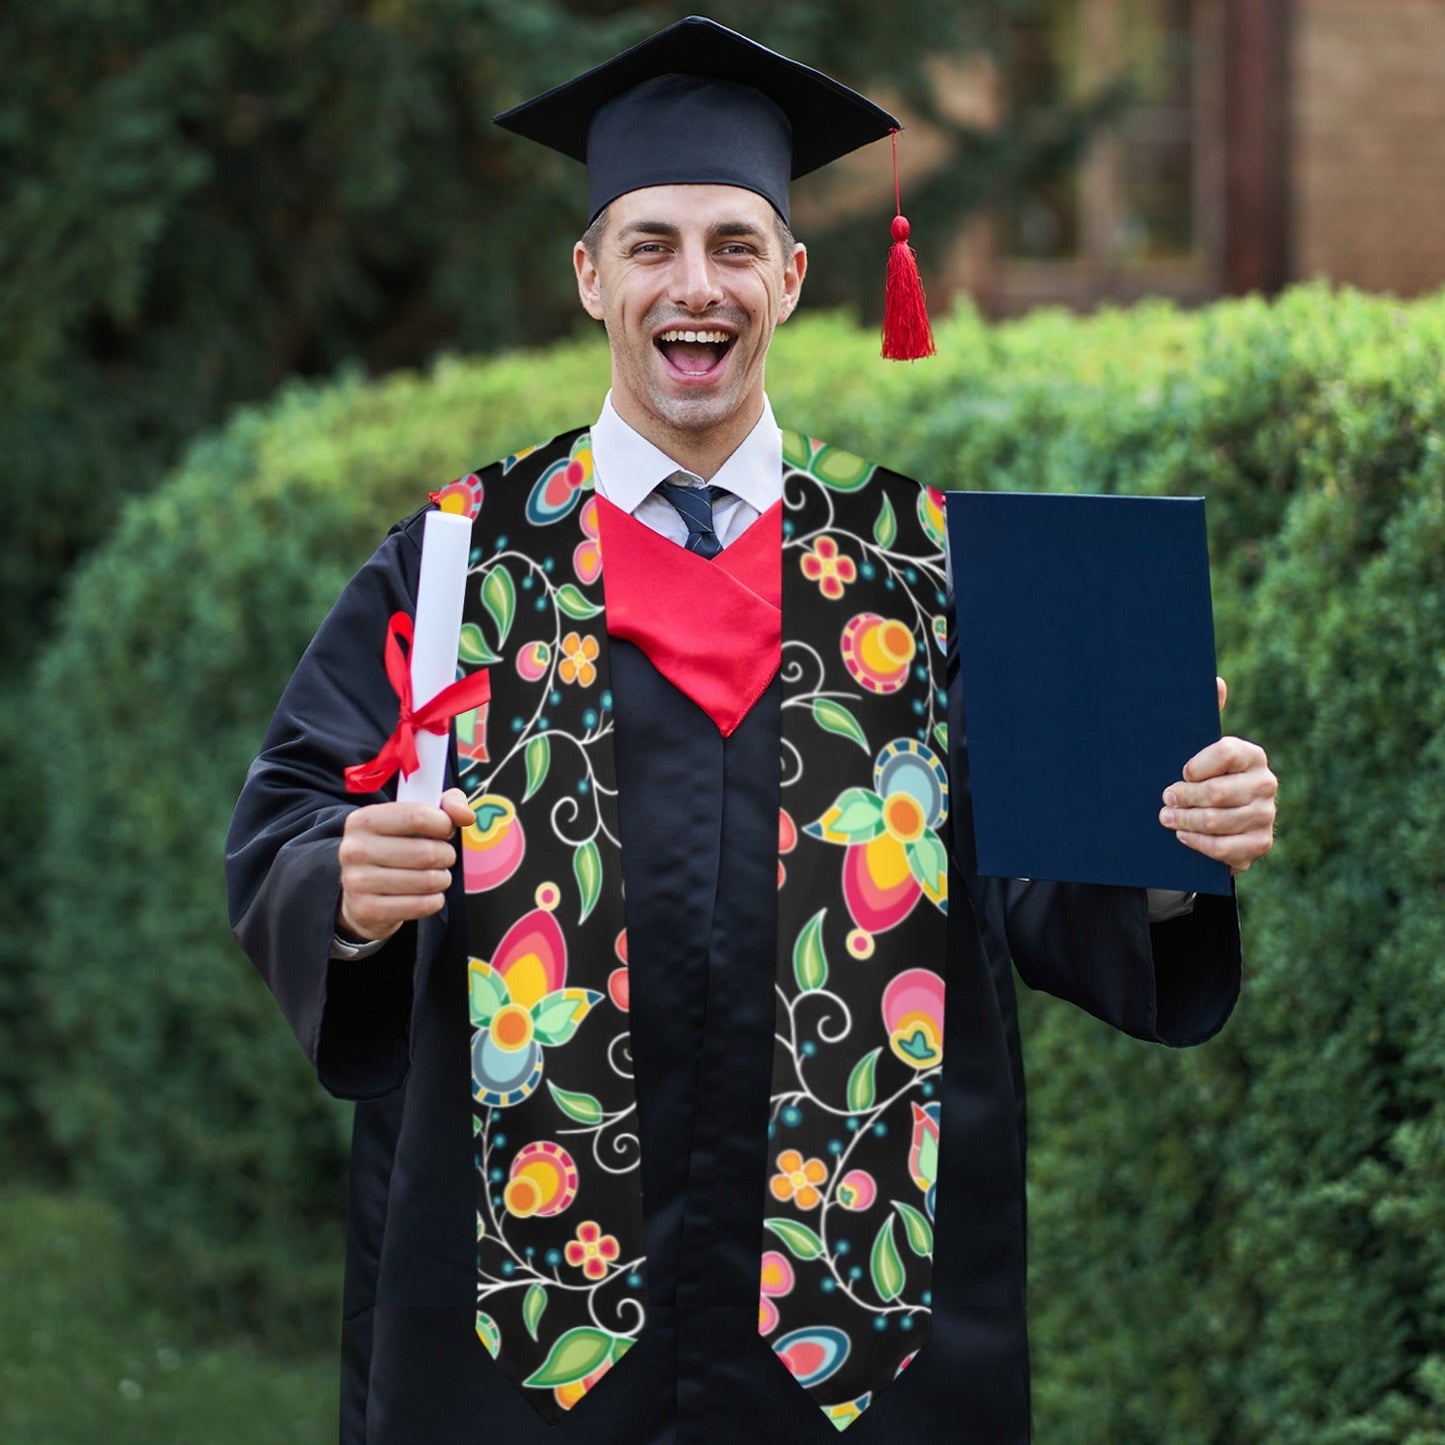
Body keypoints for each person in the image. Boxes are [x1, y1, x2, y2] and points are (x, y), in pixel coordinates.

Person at [225, 17, 1277, 1445]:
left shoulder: (925, 568)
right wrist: (344, 887)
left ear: (790, 276)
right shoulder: (464, 563)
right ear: (589, 275)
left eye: (734, 245)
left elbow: (1041, 883)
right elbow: (292, 818)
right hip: (529, 1318)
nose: (694, 286)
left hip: (859, 1322)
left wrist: (1168, 846)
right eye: (650, 245)